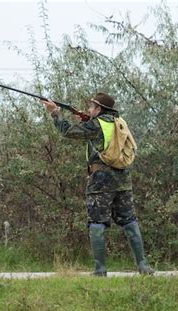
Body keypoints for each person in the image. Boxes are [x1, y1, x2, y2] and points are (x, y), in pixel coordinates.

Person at [41, 93, 154, 276]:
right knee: (130, 221)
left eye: (92, 107)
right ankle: (143, 266)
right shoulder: (119, 122)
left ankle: (100, 270)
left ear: (99, 109)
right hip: (123, 180)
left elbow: (68, 131)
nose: (88, 110)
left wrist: (55, 113)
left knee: (97, 223)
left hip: (101, 180)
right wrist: (86, 119)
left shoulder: (96, 124)